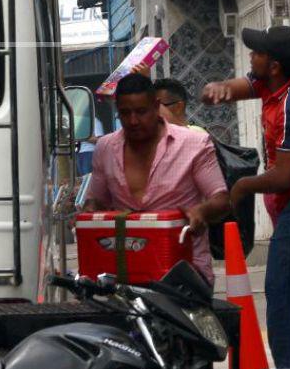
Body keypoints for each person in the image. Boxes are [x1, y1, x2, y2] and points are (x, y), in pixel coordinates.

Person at [202, 25, 290, 369]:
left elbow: (284, 176)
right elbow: (237, 87)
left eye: (257, 53)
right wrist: (218, 88)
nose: (250, 56)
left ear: (275, 65)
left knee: (287, 323)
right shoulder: (274, 85)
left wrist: (241, 187)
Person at [85, 73, 229, 284]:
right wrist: (87, 213)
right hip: (126, 274)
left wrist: (202, 212)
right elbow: (97, 201)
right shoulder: (105, 148)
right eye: (125, 113)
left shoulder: (194, 143)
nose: (133, 121)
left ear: (156, 106)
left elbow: (222, 200)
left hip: (184, 273)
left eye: (141, 112)